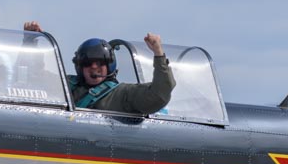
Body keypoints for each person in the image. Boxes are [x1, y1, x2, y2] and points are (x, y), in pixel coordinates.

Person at [23, 21, 175, 115]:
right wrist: (30, 41)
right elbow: (34, 78)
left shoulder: (123, 94)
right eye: (88, 63)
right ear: (79, 66)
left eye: (100, 62)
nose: (94, 67)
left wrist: (158, 54)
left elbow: (159, 95)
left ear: (109, 64)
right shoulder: (67, 86)